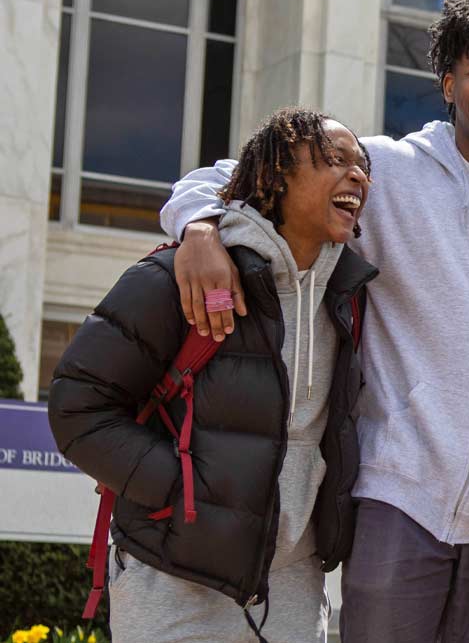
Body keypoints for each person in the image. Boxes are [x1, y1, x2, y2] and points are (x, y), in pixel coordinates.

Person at [158, 0, 469, 642]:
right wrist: (199, 229)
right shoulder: (385, 173)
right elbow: (233, 176)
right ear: (448, 83)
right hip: (397, 497)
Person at [50, 108, 376, 642]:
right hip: (174, 574)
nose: (358, 176)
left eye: (362, 167)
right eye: (335, 161)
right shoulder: (176, 277)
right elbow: (77, 408)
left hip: (293, 582)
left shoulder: (350, 294)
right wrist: (182, 495)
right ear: (275, 177)